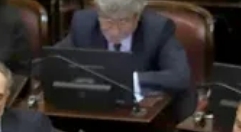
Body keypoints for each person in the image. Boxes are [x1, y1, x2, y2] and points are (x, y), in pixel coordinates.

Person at [57, 0, 195, 121]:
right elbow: (52, 62)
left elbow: (180, 76)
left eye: (123, 21)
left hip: (143, 117)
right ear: (98, 13)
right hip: (94, 112)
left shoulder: (157, 29)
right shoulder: (83, 25)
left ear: (137, 17)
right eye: (108, 21)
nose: (114, 31)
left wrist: (129, 79)